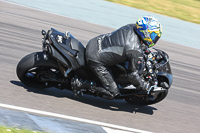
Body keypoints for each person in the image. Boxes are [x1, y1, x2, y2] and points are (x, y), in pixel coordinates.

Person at [71, 16, 162, 99]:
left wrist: (145, 51)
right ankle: (80, 83)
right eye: (153, 35)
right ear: (146, 33)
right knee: (112, 92)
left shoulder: (131, 27)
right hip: (95, 58)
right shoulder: (134, 50)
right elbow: (132, 75)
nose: (154, 38)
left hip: (95, 42)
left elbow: (131, 45)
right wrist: (144, 86)